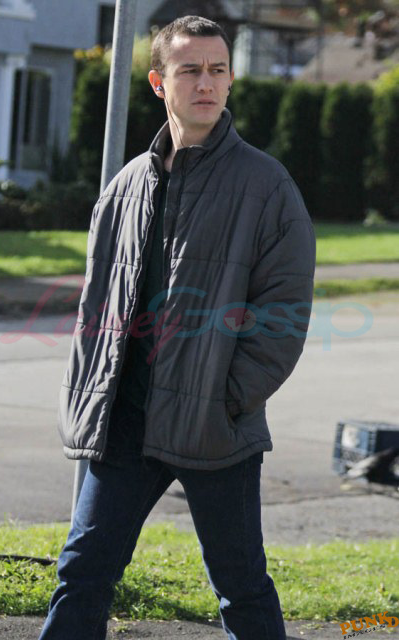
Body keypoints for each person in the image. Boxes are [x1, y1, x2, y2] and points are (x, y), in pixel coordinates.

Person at [38, 15, 316, 640]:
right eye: (190, 70)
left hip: (214, 424)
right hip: (126, 420)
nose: (206, 83)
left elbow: (285, 310)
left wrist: (228, 396)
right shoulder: (125, 187)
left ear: (231, 79)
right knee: (82, 572)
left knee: (240, 586)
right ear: (159, 82)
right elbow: (95, 309)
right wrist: (88, 395)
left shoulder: (267, 185)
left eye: (218, 70)